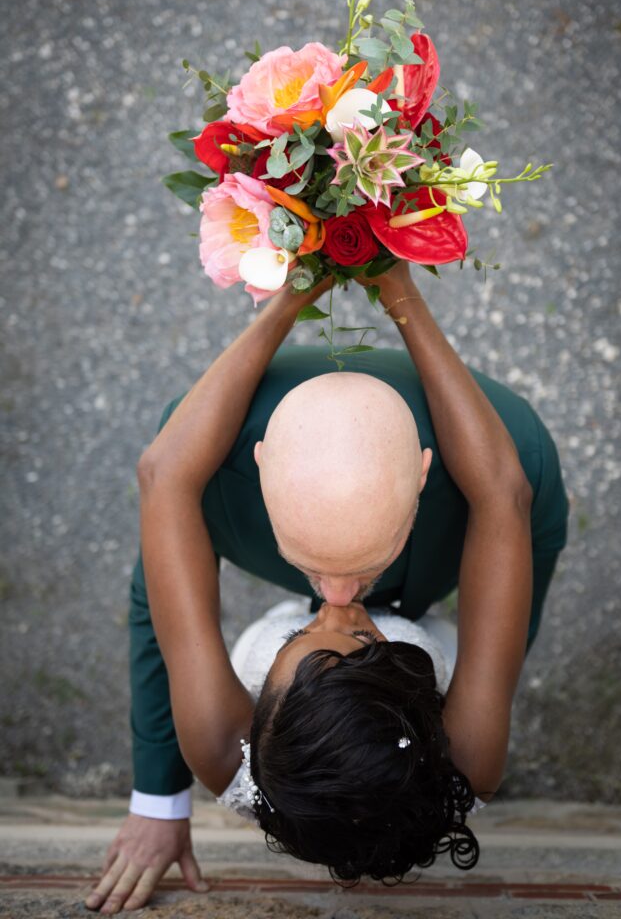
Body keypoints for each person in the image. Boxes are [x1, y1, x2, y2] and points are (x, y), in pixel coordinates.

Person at [85, 262, 568, 913]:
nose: (338, 603)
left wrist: (293, 294)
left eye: (310, 637)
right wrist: (398, 291)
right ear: (424, 712)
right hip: (430, 645)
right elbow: (503, 492)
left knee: (172, 567)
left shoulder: (217, 743)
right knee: (497, 605)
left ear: (257, 724)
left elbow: (164, 475)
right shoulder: (470, 758)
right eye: (365, 639)